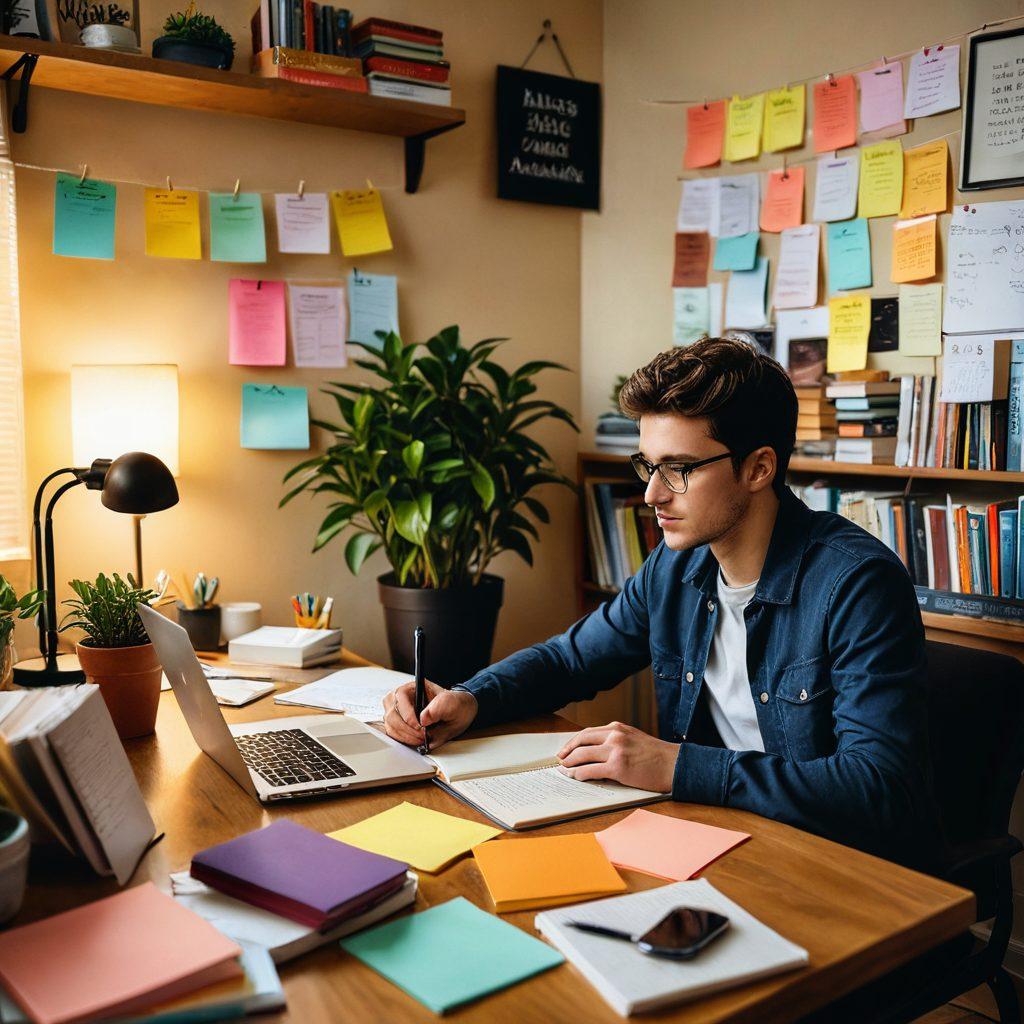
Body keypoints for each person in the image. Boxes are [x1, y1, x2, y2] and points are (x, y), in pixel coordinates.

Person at [382, 336, 943, 871]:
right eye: (648, 465)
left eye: (679, 469)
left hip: (831, 864)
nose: (651, 493)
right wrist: (468, 698)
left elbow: (878, 788)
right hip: (713, 838)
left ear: (759, 468)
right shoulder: (676, 566)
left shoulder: (856, 584)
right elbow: (570, 660)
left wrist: (678, 766)